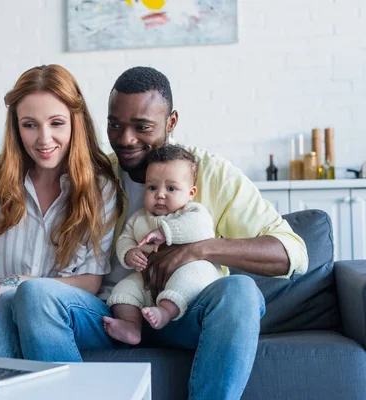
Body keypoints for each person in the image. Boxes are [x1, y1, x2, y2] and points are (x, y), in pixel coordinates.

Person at [17, 66, 309, 400]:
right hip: (112, 312)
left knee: (241, 292)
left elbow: (292, 253)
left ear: (171, 123)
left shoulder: (210, 173)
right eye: (115, 124)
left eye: (142, 127)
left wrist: (199, 250)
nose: (125, 139)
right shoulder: (96, 175)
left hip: (186, 311)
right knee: (36, 296)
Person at [0, 64, 123, 360]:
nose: (44, 139)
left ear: (74, 124)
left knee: (28, 295)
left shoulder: (99, 188)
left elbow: (91, 282)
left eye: (56, 123)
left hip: (71, 311)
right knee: (5, 303)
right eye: (30, 125)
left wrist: (17, 282)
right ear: (16, 127)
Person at [103, 144, 223, 345]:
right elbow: (125, 238)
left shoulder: (193, 212)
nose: (160, 194)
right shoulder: (139, 218)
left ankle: (166, 312)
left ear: (190, 192)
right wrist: (129, 253)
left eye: (171, 188)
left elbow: (201, 229)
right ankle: (131, 325)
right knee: (123, 289)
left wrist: (164, 232)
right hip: (149, 279)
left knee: (191, 276)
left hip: (189, 271)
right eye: (152, 187)